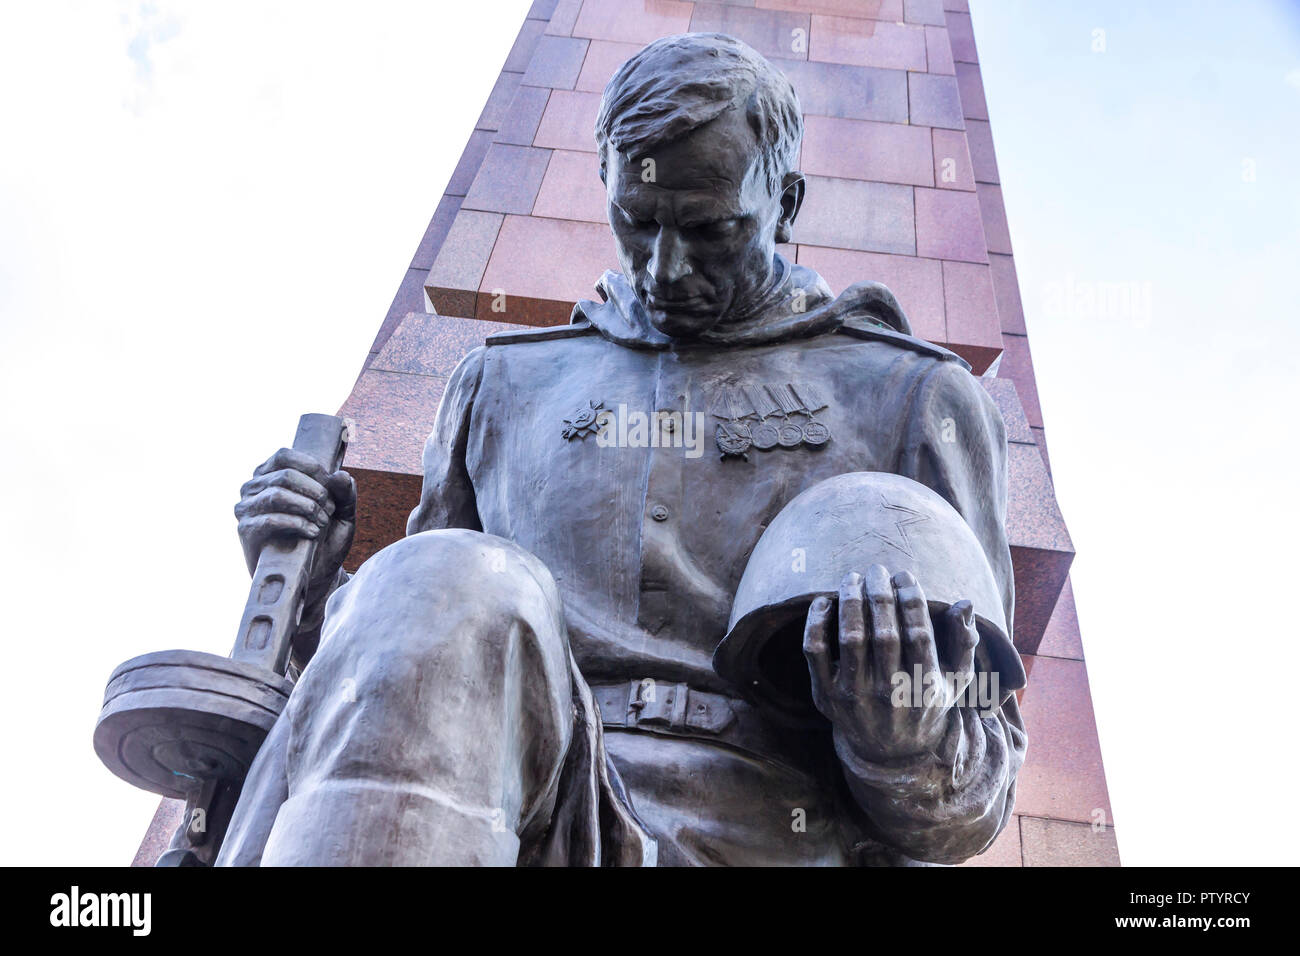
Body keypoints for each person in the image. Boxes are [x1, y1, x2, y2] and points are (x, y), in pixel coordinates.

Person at [218, 33, 1025, 867]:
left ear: (786, 203)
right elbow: (398, 694)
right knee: (435, 575)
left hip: (763, 829)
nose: (666, 269)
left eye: (711, 229)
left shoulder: (909, 397)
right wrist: (311, 598)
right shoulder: (501, 387)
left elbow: (974, 803)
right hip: (510, 815)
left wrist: (903, 737)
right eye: (637, 222)